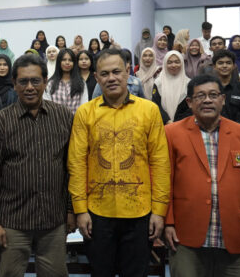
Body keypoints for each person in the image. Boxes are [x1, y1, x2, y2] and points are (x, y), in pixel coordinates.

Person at [68, 48, 170, 277]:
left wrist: (159, 210)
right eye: (104, 74)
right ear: (96, 77)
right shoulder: (85, 113)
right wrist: (80, 209)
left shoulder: (149, 111)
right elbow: (77, 163)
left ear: (127, 73)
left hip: (140, 212)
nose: (111, 78)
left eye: (116, 72)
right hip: (97, 213)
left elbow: (160, 163)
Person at [163, 74, 240, 276]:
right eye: (200, 96)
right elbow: (164, 182)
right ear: (189, 102)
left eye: (213, 95)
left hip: (237, 235)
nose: (207, 100)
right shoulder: (171, 133)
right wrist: (167, 222)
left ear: (223, 99)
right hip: (185, 237)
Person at [0, 54, 75, 277]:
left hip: (53, 219)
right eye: (23, 81)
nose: (29, 87)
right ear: (14, 84)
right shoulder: (0, 121)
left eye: (35, 80)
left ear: (45, 81)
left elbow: (71, 168)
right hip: (12, 222)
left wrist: (71, 209)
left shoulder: (63, 116)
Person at [212, 50, 240, 125]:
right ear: (214, 67)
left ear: (233, 66)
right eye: (220, 63)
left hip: (236, 130)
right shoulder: (208, 88)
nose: (224, 66)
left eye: (228, 63)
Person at [152, 51, 191, 124]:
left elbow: (191, 106)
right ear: (165, 64)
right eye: (169, 62)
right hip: (163, 125)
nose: (173, 65)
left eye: (177, 62)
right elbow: (155, 105)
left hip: (184, 125)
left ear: (182, 63)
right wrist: (167, 120)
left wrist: (177, 123)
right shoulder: (158, 83)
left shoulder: (189, 83)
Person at [44, 49, 87, 114]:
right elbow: (47, 106)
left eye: (70, 60)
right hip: (56, 122)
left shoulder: (81, 83)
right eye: (64, 60)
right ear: (59, 62)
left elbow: (84, 105)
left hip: (76, 122)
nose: (67, 63)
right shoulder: (50, 83)